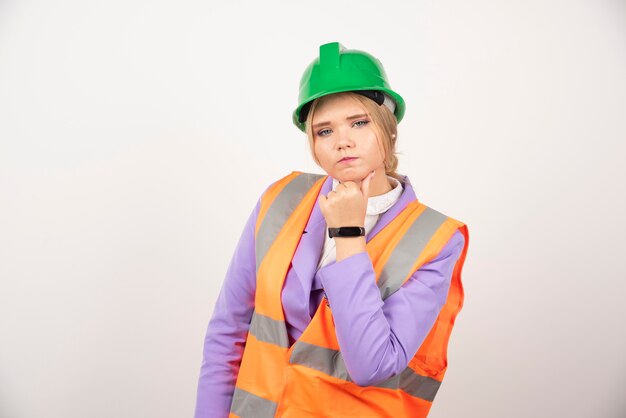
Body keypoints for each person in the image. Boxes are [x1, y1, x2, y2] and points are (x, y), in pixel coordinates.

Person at [193, 41, 469, 418]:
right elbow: (228, 331)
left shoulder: (435, 239)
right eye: (324, 131)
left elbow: (371, 365)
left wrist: (349, 235)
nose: (343, 141)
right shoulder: (280, 199)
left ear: (389, 129)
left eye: (359, 122)